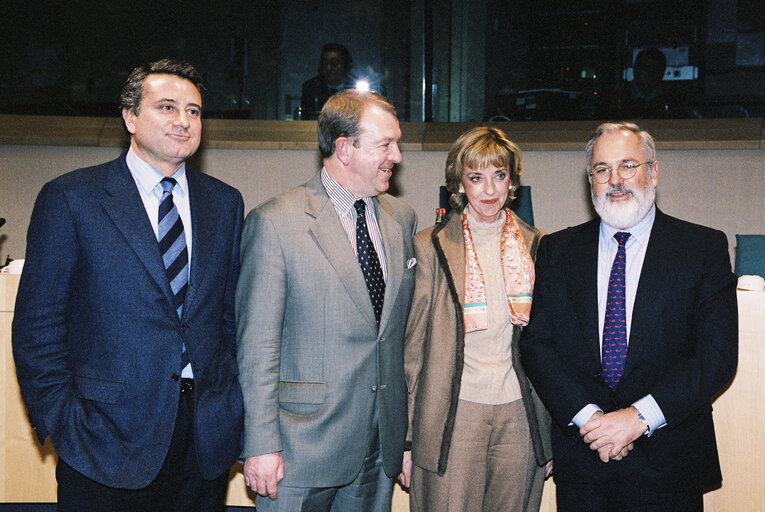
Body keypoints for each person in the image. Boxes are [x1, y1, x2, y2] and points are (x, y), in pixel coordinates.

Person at [12, 58, 244, 511]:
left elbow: (230, 317)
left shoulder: (224, 203)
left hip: (203, 442)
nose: (183, 121)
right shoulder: (72, 197)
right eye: (167, 107)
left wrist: (230, 406)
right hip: (102, 439)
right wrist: (63, 420)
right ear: (130, 117)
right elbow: (37, 326)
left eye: (194, 111)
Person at [519, 122, 738, 511]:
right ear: (591, 181)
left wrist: (638, 418)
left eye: (628, 166)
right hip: (585, 462)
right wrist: (593, 423)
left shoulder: (702, 248)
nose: (615, 180)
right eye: (602, 169)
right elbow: (538, 345)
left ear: (653, 171)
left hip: (669, 466)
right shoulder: (558, 250)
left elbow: (716, 357)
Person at [236, 90, 417, 511]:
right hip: (299, 452)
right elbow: (256, 348)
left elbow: (396, 338)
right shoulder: (275, 223)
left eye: (398, 143)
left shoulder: (400, 220)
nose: (398, 155)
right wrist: (260, 444)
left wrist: (403, 437)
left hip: (377, 449)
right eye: (385, 144)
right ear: (344, 148)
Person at [399, 126, 552, 511]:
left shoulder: (538, 245)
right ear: (459, 182)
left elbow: (551, 349)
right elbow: (412, 353)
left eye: (499, 176)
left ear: (512, 179)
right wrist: (405, 440)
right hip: (453, 411)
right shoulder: (430, 245)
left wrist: (548, 437)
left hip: (519, 414)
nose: (489, 190)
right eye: (476, 177)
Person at [300, 43, 354, 119]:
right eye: (325, 63)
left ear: (345, 65)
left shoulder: (355, 88)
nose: (328, 68)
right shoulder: (311, 87)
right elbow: (306, 119)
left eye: (334, 63)